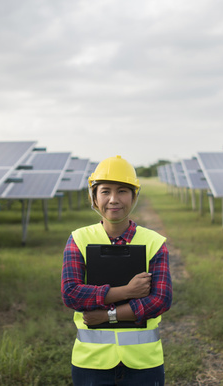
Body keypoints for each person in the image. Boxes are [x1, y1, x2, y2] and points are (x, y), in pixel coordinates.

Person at [61, 155, 172, 386]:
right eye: (105, 191)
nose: (113, 199)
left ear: (134, 196)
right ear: (94, 196)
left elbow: (160, 300)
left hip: (143, 363)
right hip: (91, 363)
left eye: (122, 191)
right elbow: (72, 293)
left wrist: (105, 315)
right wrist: (127, 291)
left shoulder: (154, 242)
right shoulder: (79, 239)